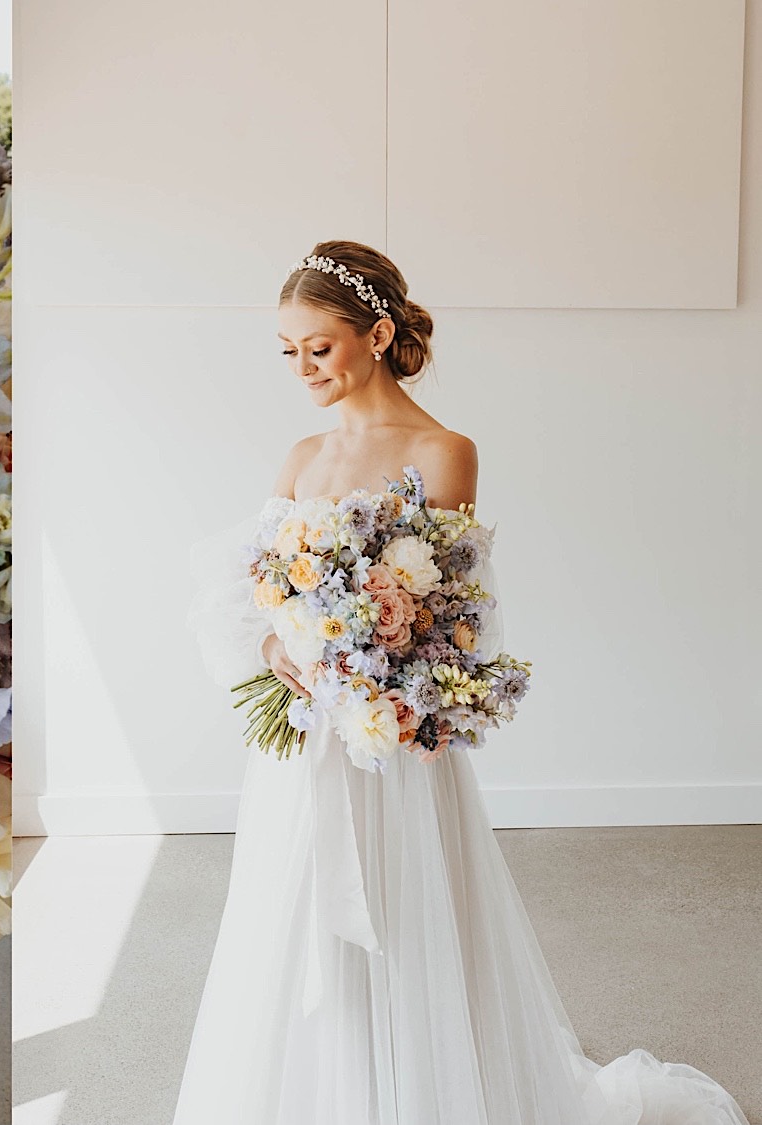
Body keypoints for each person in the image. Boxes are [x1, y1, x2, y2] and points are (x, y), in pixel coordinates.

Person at [174, 240, 749, 1124]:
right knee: (292, 919)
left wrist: (360, 658)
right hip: (306, 740)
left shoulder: (445, 451)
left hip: (392, 732)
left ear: (374, 332)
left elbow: (447, 610)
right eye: (287, 351)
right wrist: (275, 651)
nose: (302, 368)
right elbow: (254, 594)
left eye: (317, 347)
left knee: (409, 913)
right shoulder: (300, 456)